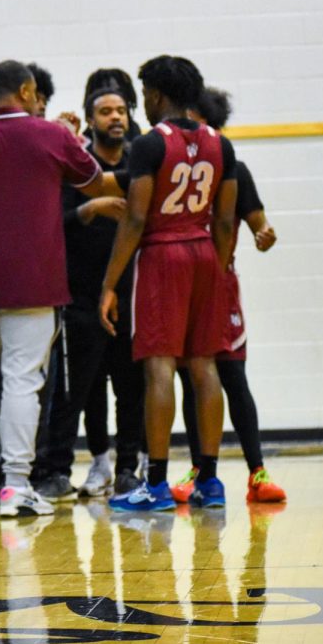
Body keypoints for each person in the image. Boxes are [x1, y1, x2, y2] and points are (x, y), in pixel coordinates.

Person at [0, 60, 122, 519]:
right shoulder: (52, 136)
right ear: (28, 90)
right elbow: (95, 181)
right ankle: (14, 486)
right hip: (37, 284)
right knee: (21, 384)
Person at [100, 56, 238, 513]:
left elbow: (136, 216)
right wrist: (217, 269)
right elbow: (224, 219)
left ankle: (156, 483)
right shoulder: (222, 145)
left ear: (155, 95)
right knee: (204, 366)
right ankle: (210, 481)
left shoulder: (150, 144)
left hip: (163, 254)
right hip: (205, 253)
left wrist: (110, 283)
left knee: (159, 366)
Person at [170, 87, 286, 504]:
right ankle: (202, 470)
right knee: (190, 379)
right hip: (181, 279)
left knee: (233, 378)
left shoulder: (233, 165)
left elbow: (258, 223)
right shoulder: (169, 164)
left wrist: (263, 234)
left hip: (219, 282)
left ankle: (257, 472)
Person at [32, 87, 144, 502]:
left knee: (130, 386)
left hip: (131, 291)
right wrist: (89, 209)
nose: (114, 117)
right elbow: (50, 221)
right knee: (78, 388)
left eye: (120, 110)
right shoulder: (78, 165)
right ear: (90, 119)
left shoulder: (140, 162)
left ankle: (129, 467)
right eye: (105, 111)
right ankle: (68, 467)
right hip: (81, 293)